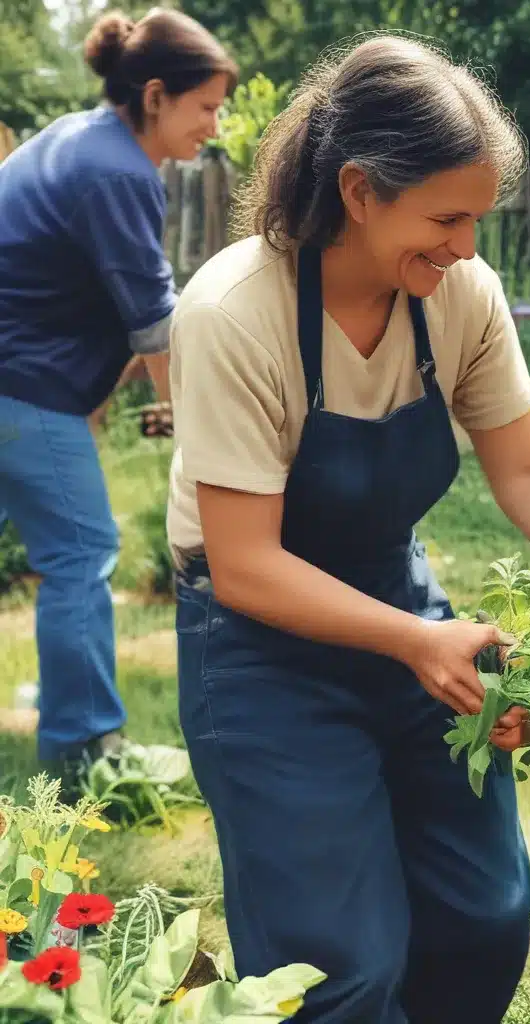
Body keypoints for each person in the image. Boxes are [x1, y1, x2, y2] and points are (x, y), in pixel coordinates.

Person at [167, 34, 530, 1024]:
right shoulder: (237, 314)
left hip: (403, 607)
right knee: (339, 967)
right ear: (359, 192)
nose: (466, 247)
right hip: (260, 649)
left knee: (485, 915)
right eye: (446, 218)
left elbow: (529, 465)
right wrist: (414, 640)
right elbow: (242, 565)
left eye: (477, 219)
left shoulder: (458, 296)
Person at [0, 8, 236, 783]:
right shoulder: (116, 170)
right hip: (20, 388)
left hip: (23, 382)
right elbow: (154, 325)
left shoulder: (78, 138)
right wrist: (204, 442)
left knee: (68, 552)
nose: (215, 122)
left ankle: (67, 700)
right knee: (82, 552)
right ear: (158, 95)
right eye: (205, 105)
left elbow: (72, 296)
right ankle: (82, 748)